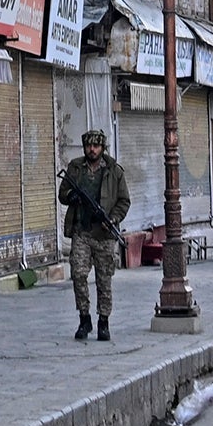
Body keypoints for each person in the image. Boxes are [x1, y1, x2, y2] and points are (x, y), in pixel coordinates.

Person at [57, 128, 129, 342]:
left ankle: (103, 322)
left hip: (104, 236)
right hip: (82, 232)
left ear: (102, 147)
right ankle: (84, 318)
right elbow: (63, 194)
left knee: (104, 280)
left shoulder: (114, 171)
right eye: (89, 146)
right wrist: (74, 197)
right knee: (78, 275)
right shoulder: (76, 168)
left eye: (96, 146)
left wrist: (113, 219)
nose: (92, 149)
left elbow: (124, 201)